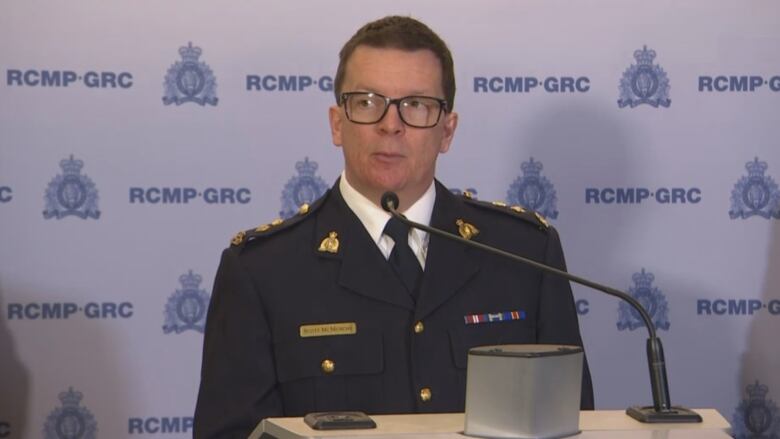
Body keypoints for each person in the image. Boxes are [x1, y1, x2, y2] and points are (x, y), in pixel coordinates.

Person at [194, 15, 593, 438]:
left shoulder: (525, 255)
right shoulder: (264, 270)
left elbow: (572, 425)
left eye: (416, 105)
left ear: (447, 131)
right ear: (336, 123)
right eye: (368, 102)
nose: (391, 124)